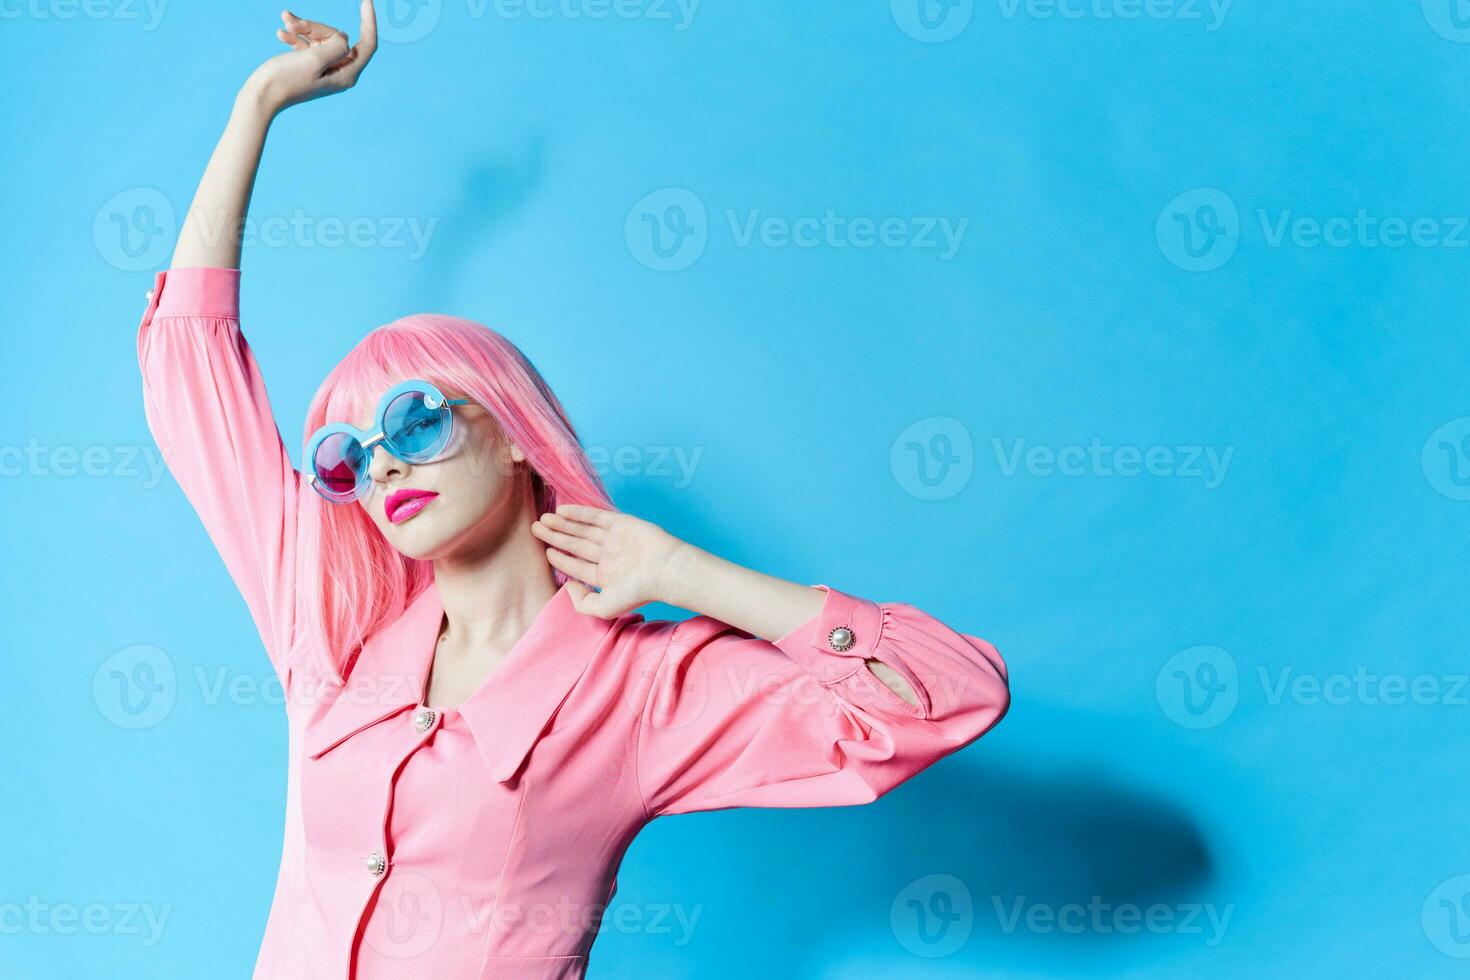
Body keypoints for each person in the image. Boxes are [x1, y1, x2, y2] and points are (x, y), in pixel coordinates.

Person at [136, 4, 1012, 976]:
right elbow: (189, 364)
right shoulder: (330, 636)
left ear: (513, 432)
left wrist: (687, 570)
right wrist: (256, 107)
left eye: (416, 421)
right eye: (353, 455)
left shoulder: (638, 690)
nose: (382, 464)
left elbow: (944, 698)